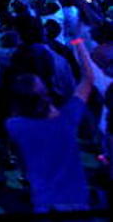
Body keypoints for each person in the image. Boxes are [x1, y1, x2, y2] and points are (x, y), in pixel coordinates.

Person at [6, 39, 94, 213]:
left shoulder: (14, 126)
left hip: (44, 201)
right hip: (75, 197)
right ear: (45, 93)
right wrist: (78, 42)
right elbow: (88, 80)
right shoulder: (67, 119)